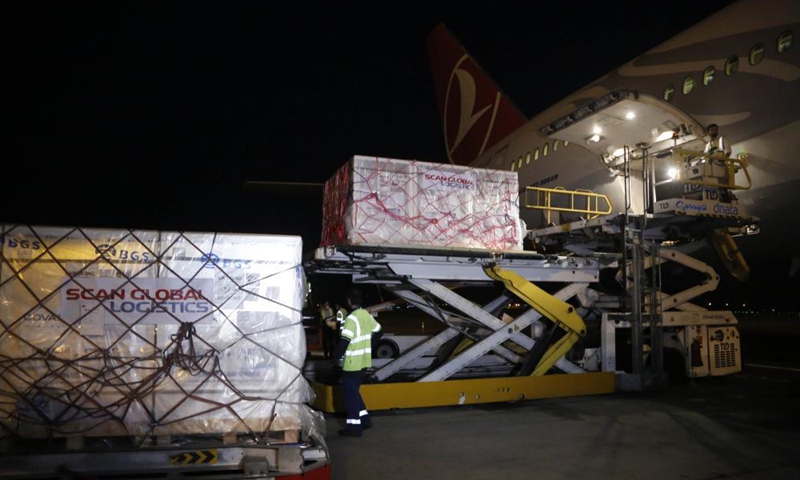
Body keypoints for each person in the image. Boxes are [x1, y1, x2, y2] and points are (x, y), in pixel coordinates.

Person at [331, 288, 383, 437]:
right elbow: (379, 331)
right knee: (354, 392)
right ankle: (365, 421)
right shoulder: (366, 315)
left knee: (350, 396)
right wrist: (369, 345)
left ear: (349, 301)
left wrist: (334, 359)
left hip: (352, 363)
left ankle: (354, 428)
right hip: (363, 362)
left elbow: (344, 342)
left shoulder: (352, 319)